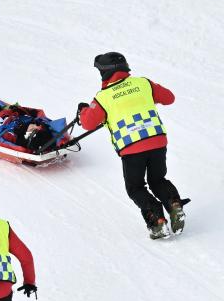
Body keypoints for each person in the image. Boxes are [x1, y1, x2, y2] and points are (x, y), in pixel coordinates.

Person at [77, 52, 188, 239]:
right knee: (158, 180)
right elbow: (169, 98)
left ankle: (157, 221)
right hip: (157, 140)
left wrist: (84, 110)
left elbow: (88, 123)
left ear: (104, 73)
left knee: (135, 187)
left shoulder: (103, 97)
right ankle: (174, 204)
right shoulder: (143, 83)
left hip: (132, 147)